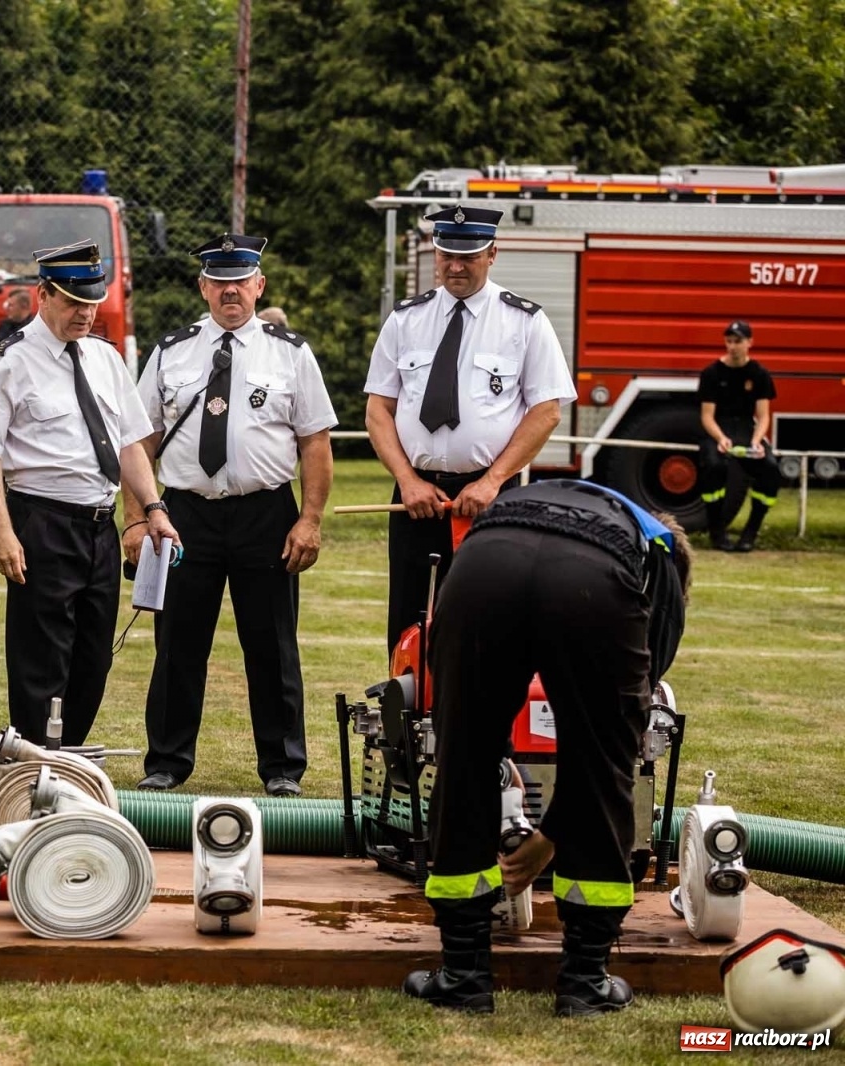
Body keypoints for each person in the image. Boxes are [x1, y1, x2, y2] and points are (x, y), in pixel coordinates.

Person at [404, 479, 692, 1017]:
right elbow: (617, 735)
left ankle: (463, 977)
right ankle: (585, 983)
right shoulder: (660, 551)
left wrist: (542, 826)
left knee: (463, 762)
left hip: (481, 568)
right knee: (606, 769)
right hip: (588, 583)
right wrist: (557, 834)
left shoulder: (553, 497)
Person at [131, 234, 336, 796]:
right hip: (184, 515)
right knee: (177, 644)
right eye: (219, 282)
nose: (230, 291)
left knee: (272, 646)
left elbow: (315, 442)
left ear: (259, 285)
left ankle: (283, 768)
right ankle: (166, 762)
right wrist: (137, 516)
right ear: (203, 287)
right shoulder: (171, 351)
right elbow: (140, 440)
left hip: (266, 514)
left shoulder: (290, 353)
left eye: (240, 281)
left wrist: (310, 520)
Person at [0, 240, 181, 745]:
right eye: (74, 302)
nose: (85, 313)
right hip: (42, 521)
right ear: (43, 294)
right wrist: (1, 532)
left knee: (93, 656)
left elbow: (129, 443)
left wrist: (153, 508)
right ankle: (34, 762)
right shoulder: (12, 359)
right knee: (41, 658)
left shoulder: (105, 357)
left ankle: (69, 757)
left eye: (92, 303)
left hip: (99, 526)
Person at [364, 205, 576, 652]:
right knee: (408, 619)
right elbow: (378, 410)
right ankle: (410, 696)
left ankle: (480, 699)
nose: (455, 266)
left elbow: (546, 411)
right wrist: (407, 480)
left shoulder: (524, 321)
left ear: (492, 254)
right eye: (447, 255)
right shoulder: (406, 319)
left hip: (489, 498)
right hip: (415, 499)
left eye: (469, 256)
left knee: (488, 617)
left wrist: (491, 481)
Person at [698, 320, 781, 552]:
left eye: (738, 341)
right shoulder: (711, 373)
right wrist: (720, 438)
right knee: (714, 467)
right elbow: (707, 416)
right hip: (718, 429)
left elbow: (763, 416)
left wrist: (756, 441)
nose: (732, 346)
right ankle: (717, 532)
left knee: (770, 469)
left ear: (749, 343)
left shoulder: (759, 374)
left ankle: (750, 532)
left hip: (746, 429)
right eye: (729, 341)